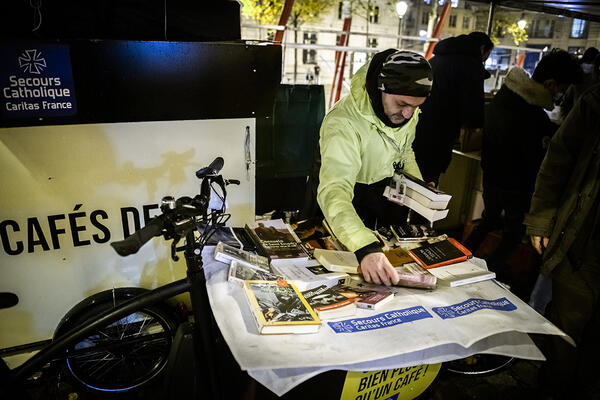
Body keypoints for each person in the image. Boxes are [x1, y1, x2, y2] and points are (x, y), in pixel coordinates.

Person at [317, 49, 432, 286]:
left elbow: (404, 150)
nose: (409, 113)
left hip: (379, 198)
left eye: (416, 106)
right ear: (381, 88)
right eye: (402, 104)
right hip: (342, 206)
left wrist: (418, 188)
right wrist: (365, 247)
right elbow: (335, 191)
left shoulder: (406, 110)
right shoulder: (343, 122)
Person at [464, 49, 581, 280]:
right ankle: (492, 270)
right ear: (550, 84)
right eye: (561, 88)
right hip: (515, 184)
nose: (560, 95)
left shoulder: (508, 94)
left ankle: (459, 258)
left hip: (492, 175)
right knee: (512, 232)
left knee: (488, 221)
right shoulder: (530, 111)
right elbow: (533, 156)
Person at [523, 83, 600, 399]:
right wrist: (541, 218)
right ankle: (554, 388)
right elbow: (558, 159)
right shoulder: (595, 101)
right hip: (583, 242)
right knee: (566, 326)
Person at [412, 31, 494, 185]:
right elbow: (473, 107)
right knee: (428, 182)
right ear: (483, 49)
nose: (486, 58)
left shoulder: (437, 59)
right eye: (488, 54)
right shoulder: (471, 65)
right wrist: (477, 125)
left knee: (411, 177)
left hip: (417, 127)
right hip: (439, 133)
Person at [560, 47, 599, 119]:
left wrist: (565, 119)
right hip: (587, 120)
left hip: (574, 117)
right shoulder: (595, 79)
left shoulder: (575, 73)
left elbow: (565, 103)